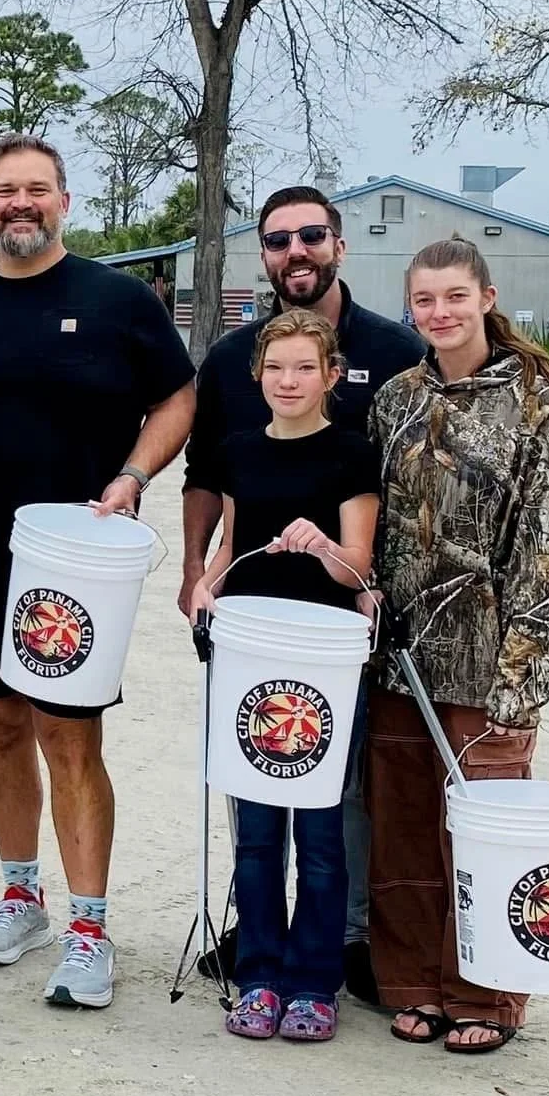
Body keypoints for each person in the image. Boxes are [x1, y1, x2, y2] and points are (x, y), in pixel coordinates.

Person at [0, 134, 195, 1010]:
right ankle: (22, 896)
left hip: (73, 570)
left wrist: (133, 476)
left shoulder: (116, 302)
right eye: (3, 191)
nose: (19, 204)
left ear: (64, 200)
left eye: (36, 189)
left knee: (70, 740)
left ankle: (89, 927)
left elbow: (178, 396)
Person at [179, 184, 423, 999]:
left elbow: (367, 543)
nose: (296, 252)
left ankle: (339, 949)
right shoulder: (235, 397)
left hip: (334, 628)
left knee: (335, 796)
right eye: (279, 241)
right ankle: (261, 950)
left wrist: (355, 579)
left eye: (311, 236)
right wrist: (199, 581)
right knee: (256, 792)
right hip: (253, 629)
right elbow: (217, 506)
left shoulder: (393, 358)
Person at [367, 238, 549, 1056]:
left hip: (487, 660)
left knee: (482, 836)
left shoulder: (533, 402)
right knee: (406, 830)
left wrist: (526, 670)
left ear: (487, 297)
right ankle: (415, 985)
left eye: (455, 297)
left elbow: (545, 546)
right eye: (425, 301)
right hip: (403, 658)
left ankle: (488, 993)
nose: (440, 314)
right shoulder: (395, 400)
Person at [189, 309, 380, 1044]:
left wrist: (321, 542)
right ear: (258, 376)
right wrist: (206, 584)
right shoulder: (239, 450)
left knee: (324, 836)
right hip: (251, 656)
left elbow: (358, 565)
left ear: (331, 375)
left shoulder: (352, 455)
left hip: (325, 662)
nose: (289, 381)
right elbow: (232, 545)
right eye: (276, 368)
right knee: (259, 833)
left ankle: (313, 980)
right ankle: (260, 974)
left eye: (305, 368)